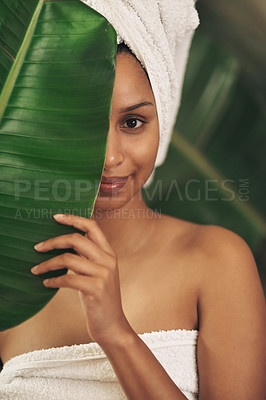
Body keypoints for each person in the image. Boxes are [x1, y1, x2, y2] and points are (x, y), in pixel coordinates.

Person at [0, 38, 265, 400]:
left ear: (163, 120)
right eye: (86, 127)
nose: (110, 157)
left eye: (133, 122)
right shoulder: (11, 277)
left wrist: (116, 333)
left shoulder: (217, 259)